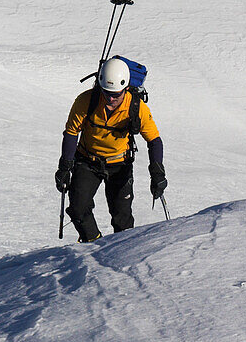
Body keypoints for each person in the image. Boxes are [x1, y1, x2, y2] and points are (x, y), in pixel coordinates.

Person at [55, 57, 166, 242]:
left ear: (125, 89)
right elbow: (71, 132)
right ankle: (95, 244)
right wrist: (65, 167)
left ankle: (122, 252)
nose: (110, 99)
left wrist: (157, 173)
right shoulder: (86, 101)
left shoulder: (136, 107)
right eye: (106, 93)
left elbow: (154, 140)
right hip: (87, 161)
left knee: (122, 219)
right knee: (77, 209)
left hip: (119, 165)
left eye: (116, 94)